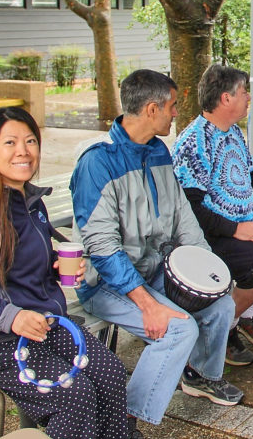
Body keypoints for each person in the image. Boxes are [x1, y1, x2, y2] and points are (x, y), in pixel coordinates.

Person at [0, 107, 129, 439]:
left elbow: (17, 261)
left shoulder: (31, 201)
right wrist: (12, 317)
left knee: (109, 372)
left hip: (42, 323)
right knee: (73, 395)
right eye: (10, 142)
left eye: (30, 141)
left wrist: (55, 265)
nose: (23, 151)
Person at [70, 70, 242, 435]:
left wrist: (211, 273)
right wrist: (149, 306)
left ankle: (200, 377)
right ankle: (124, 422)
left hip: (153, 270)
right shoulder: (97, 162)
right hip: (107, 284)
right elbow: (101, 248)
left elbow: (182, 215)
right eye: (172, 106)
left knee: (221, 304)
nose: (176, 113)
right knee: (177, 331)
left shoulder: (157, 150)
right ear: (152, 109)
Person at [171, 65, 253, 367]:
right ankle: (220, 331)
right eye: (242, 91)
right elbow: (191, 208)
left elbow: (252, 176)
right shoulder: (194, 142)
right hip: (210, 236)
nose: (248, 96)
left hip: (239, 227)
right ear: (226, 99)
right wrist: (236, 229)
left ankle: (241, 319)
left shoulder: (233, 132)